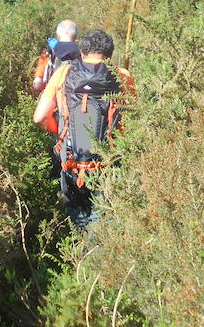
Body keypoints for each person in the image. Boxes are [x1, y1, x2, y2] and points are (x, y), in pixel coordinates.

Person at [33, 30, 134, 230]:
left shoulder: (63, 73)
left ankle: (79, 255)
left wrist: (61, 132)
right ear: (110, 54)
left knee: (80, 225)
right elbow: (131, 118)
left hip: (71, 162)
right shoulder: (123, 76)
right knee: (102, 227)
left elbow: (40, 117)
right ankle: (95, 255)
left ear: (82, 51)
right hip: (109, 165)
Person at [32, 19, 80, 94]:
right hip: (77, 100)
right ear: (75, 36)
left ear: (57, 35)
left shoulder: (48, 54)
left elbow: (37, 85)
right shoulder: (83, 53)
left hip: (54, 99)